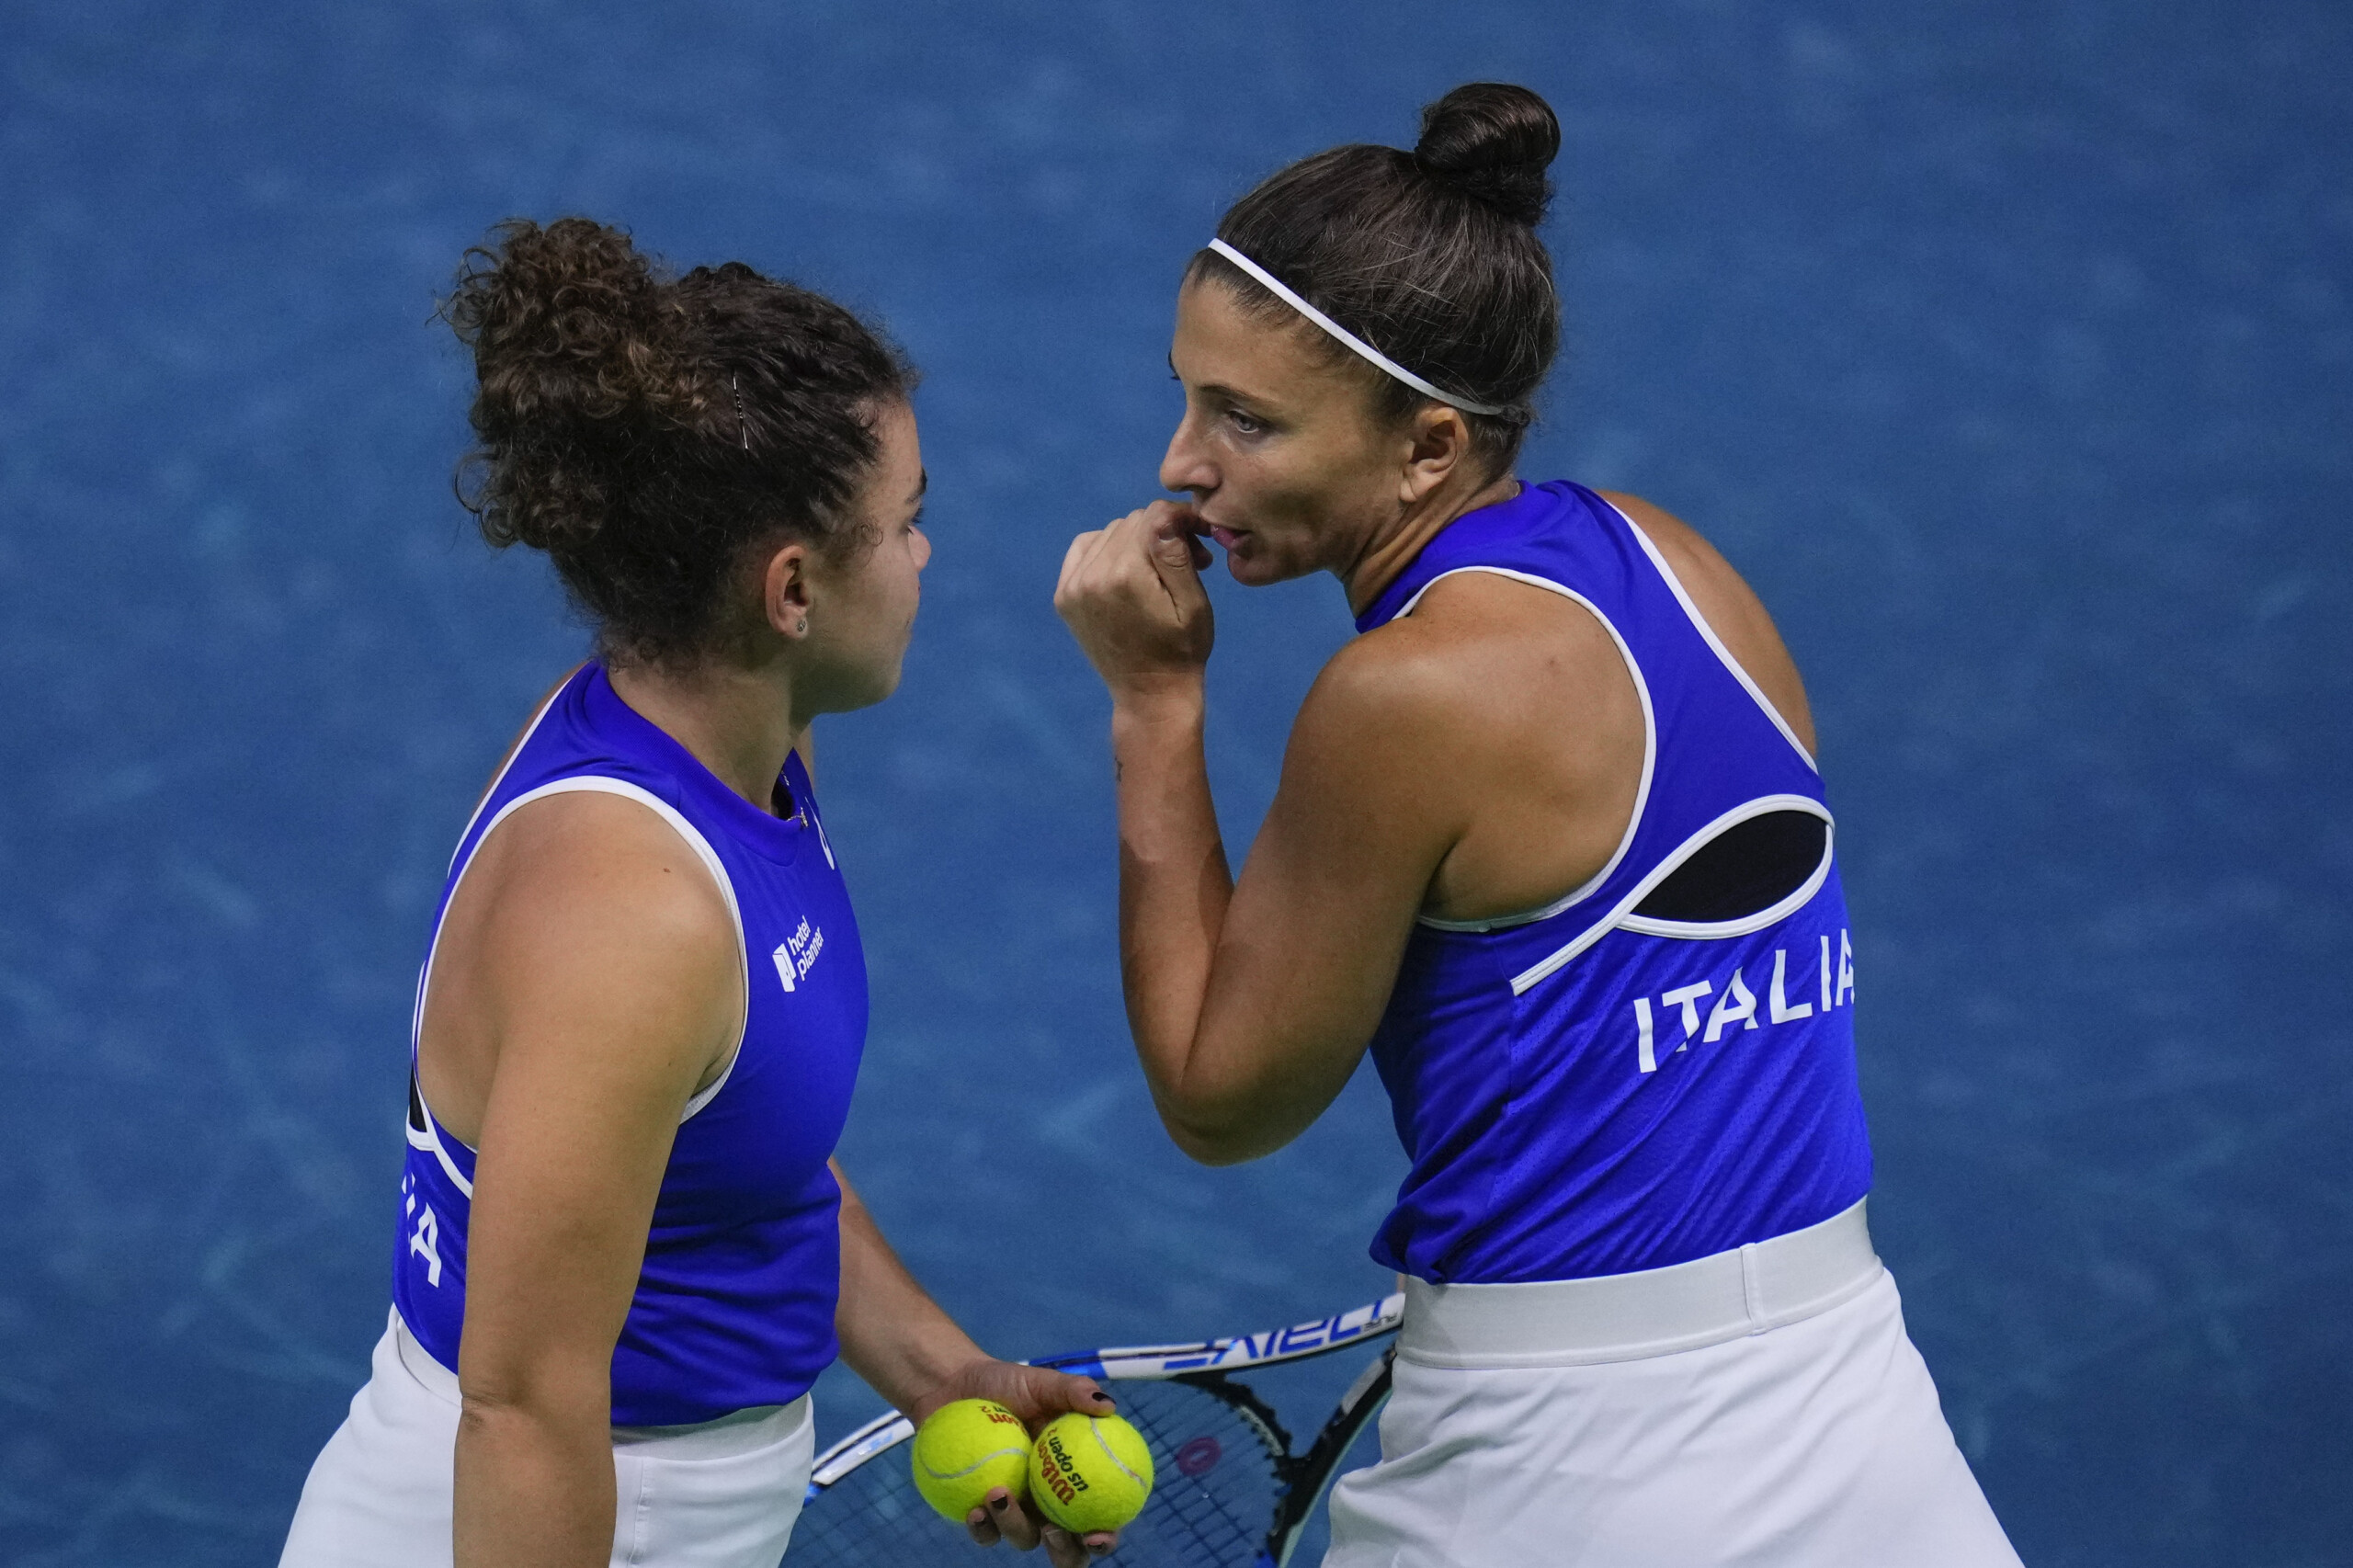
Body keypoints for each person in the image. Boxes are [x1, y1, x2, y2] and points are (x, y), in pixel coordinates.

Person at [1053, 85, 2021, 1565]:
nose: (1183, 463)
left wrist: (1154, 704)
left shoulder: (1408, 696)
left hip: (1560, 1471)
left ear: (1428, 448)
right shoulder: (1680, 562)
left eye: (1246, 420)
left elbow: (1220, 1098)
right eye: (1189, 397)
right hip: (1861, 1418)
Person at [280, 218, 1117, 1568]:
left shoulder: (742, 747)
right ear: (791, 587)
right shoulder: (636, 916)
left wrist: (941, 1370)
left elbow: (736, 1158)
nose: (923, 560)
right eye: (903, 523)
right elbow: (524, 1410)